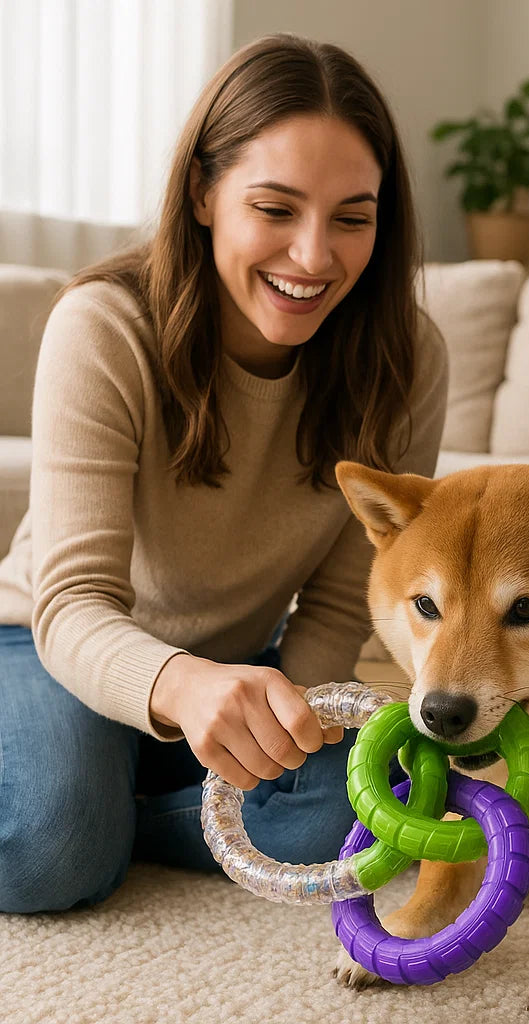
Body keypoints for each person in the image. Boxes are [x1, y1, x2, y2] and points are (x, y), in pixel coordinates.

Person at [0, 34, 447, 913]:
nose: (314, 257)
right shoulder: (104, 325)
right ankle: (93, 804)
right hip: (54, 644)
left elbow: (334, 605)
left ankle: (117, 802)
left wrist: (295, 721)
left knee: (351, 824)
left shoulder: (409, 362)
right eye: (275, 209)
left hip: (244, 665)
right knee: (48, 851)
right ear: (204, 194)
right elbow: (72, 602)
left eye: (352, 218)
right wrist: (178, 686)